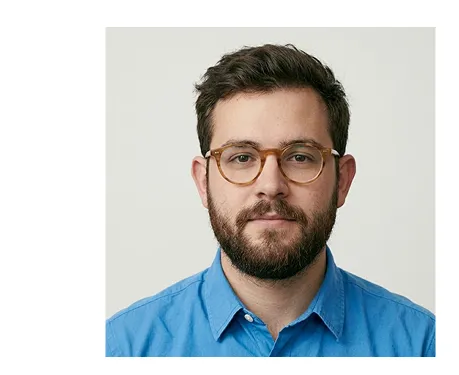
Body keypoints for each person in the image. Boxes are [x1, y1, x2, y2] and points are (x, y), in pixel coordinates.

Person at [105, 44, 434, 357]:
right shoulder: (121, 350)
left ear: (342, 181)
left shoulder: (425, 346)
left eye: (301, 157)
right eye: (242, 157)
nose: (271, 185)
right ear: (203, 181)